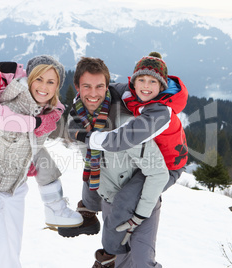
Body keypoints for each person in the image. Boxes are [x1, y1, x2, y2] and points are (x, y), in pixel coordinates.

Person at [0, 53, 82, 266]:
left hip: (16, 188)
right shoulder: (6, 111)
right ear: (28, 81)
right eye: (38, 79)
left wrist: (27, 158)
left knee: (12, 251)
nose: (44, 86)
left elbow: (34, 141)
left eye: (51, 82)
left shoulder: (45, 110)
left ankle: (55, 206)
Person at [60, 57, 169, 267]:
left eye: (100, 86)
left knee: (142, 262)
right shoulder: (78, 119)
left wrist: (139, 216)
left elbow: (158, 173)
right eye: (87, 86)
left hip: (143, 202)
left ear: (107, 86)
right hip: (110, 201)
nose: (93, 93)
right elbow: (91, 165)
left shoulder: (126, 126)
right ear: (77, 88)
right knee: (119, 262)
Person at [75, 51, 188, 191]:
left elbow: (126, 137)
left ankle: (139, 214)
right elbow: (109, 89)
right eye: (141, 80)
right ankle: (88, 206)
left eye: (152, 81)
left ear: (161, 86)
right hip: (145, 158)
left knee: (133, 198)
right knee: (104, 173)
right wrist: (81, 100)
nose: (146, 86)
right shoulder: (132, 91)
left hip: (168, 165)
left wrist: (90, 139)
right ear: (134, 82)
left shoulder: (161, 112)